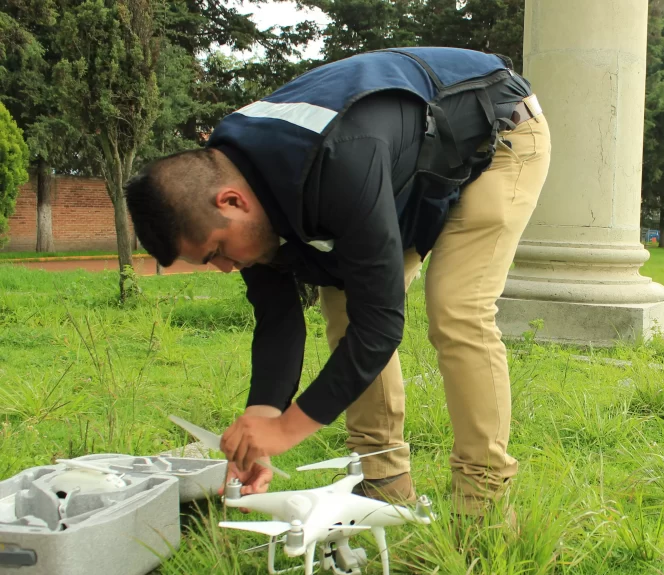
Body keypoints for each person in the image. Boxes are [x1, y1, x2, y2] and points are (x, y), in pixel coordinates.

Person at [125, 47, 551, 517]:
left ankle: (482, 506)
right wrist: (265, 413)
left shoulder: (337, 159)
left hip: (498, 133)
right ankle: (383, 479)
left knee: (456, 307)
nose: (226, 268)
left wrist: (289, 429)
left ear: (231, 202)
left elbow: (383, 321)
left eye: (218, 253)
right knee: (346, 303)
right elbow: (277, 315)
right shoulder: (237, 174)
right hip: (414, 163)